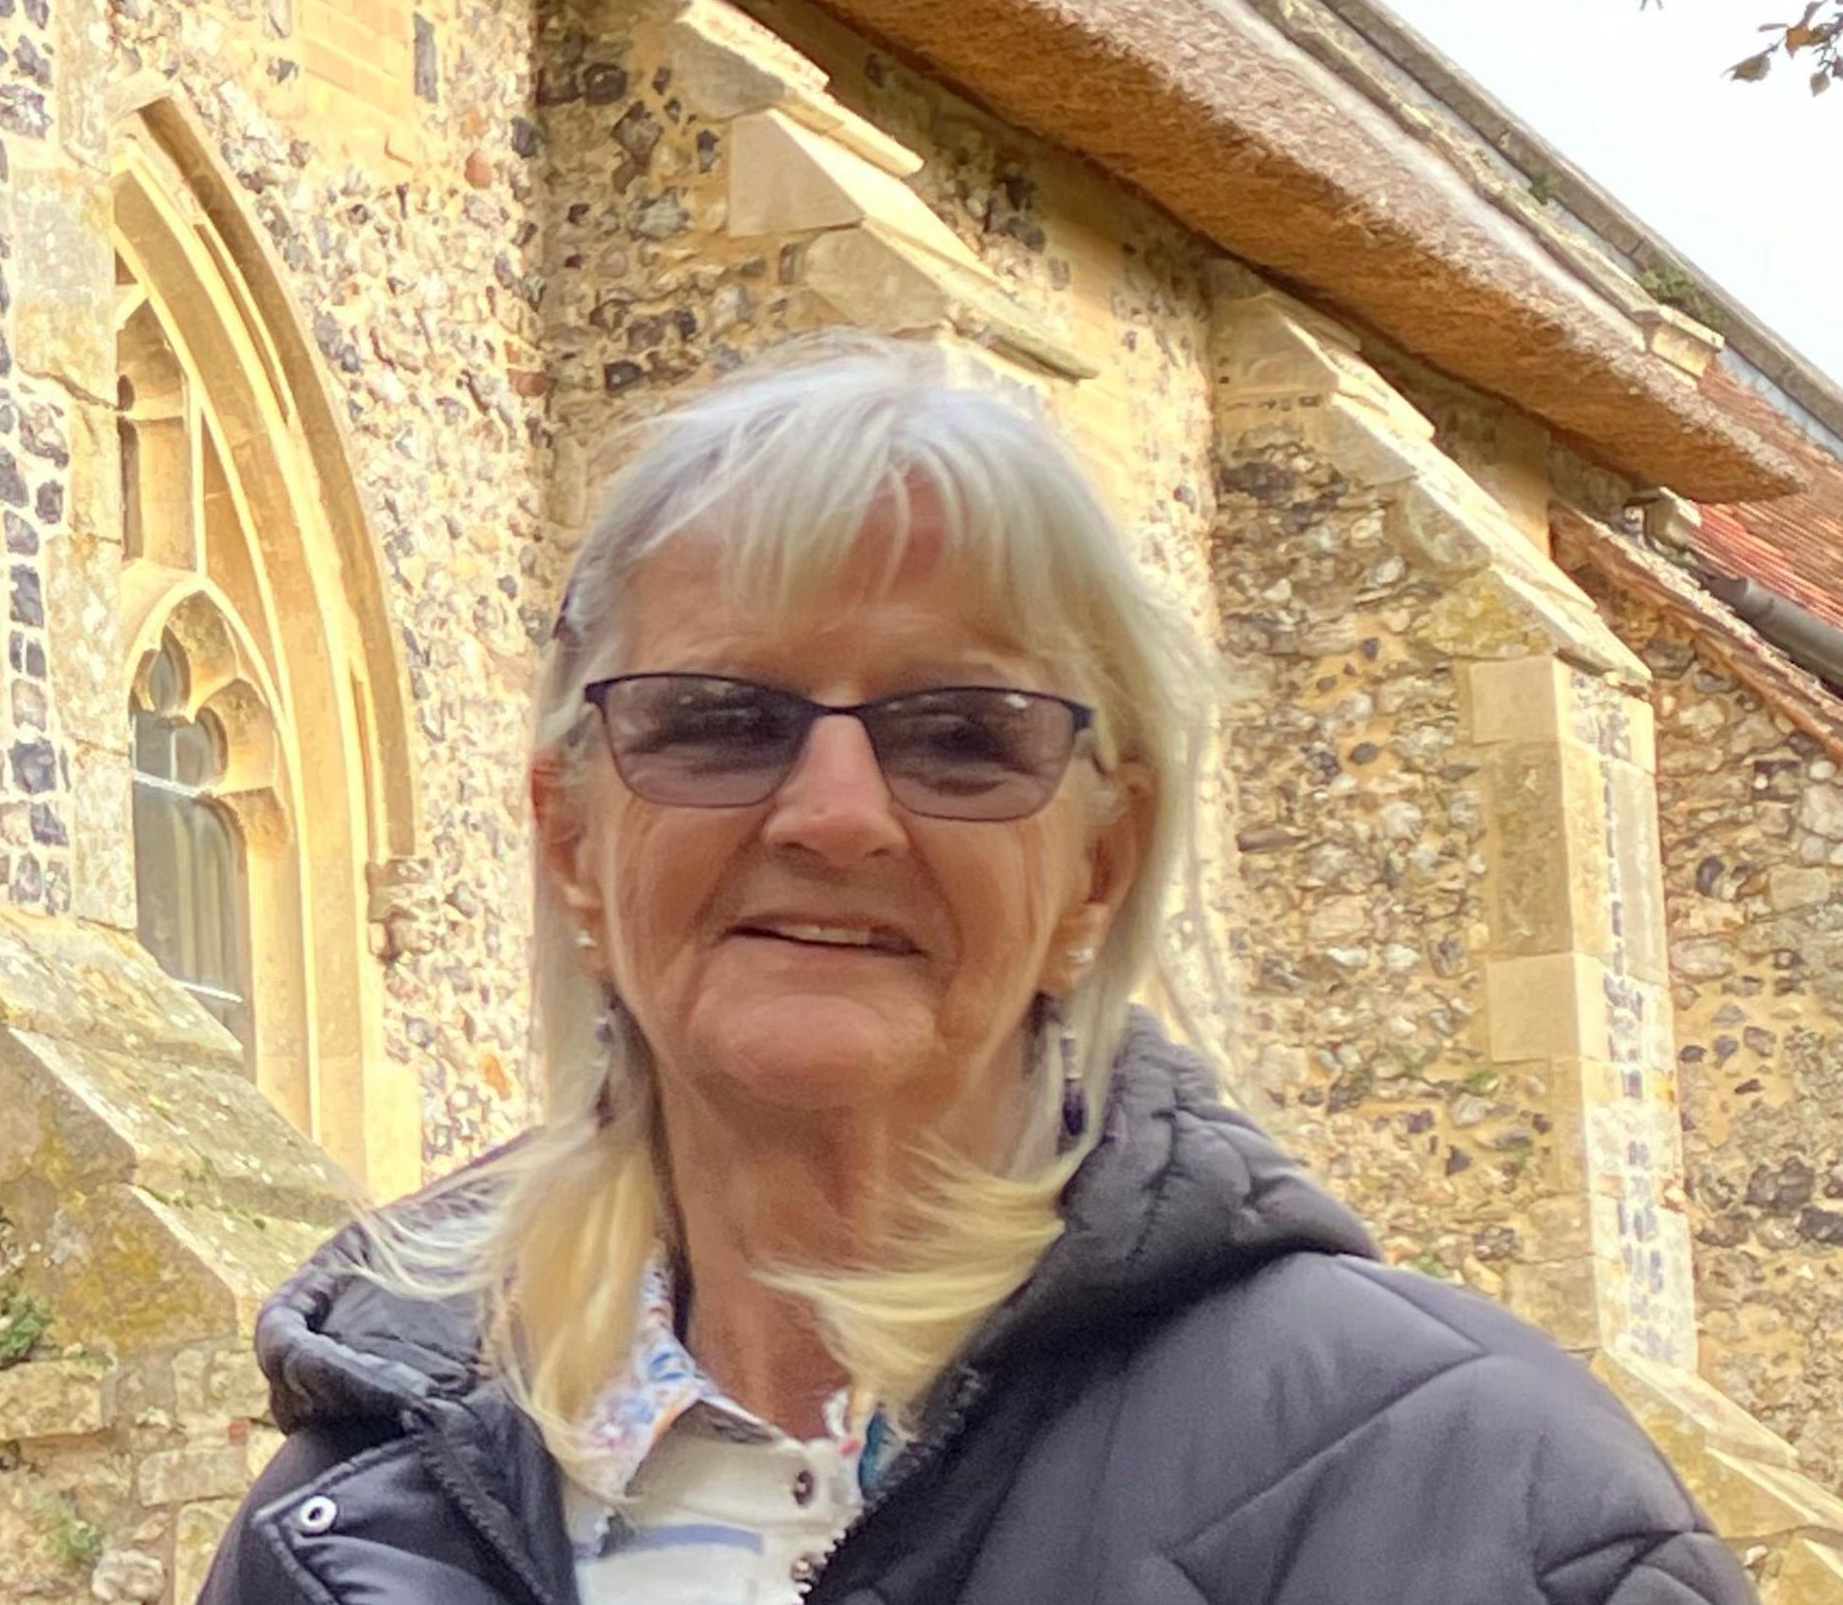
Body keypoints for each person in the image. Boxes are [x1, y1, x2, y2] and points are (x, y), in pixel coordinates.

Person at [199, 341, 1745, 1605]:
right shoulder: (354, 1523)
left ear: (1101, 863)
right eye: (718, 720)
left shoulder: (1472, 1502)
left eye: (962, 737)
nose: (835, 816)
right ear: (568, 836)